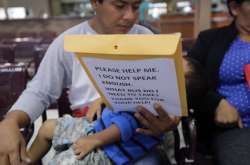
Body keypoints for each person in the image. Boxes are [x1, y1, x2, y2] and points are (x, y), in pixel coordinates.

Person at [0, 0, 180, 165]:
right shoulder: (69, 41)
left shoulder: (146, 40)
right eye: (119, 6)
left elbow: (164, 97)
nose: (130, 16)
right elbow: (40, 91)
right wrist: (11, 121)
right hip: (85, 128)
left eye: (135, 7)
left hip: (133, 136)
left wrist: (168, 121)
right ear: (95, 2)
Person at [24, 56, 207, 165]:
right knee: (47, 127)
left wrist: (93, 140)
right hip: (96, 127)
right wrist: (103, 97)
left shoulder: (152, 108)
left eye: (171, 72)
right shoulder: (146, 87)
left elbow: (124, 125)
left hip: (107, 149)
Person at [188, 0, 250, 164]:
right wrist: (216, 103)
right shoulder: (210, 40)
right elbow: (187, 81)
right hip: (237, 128)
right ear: (235, 8)